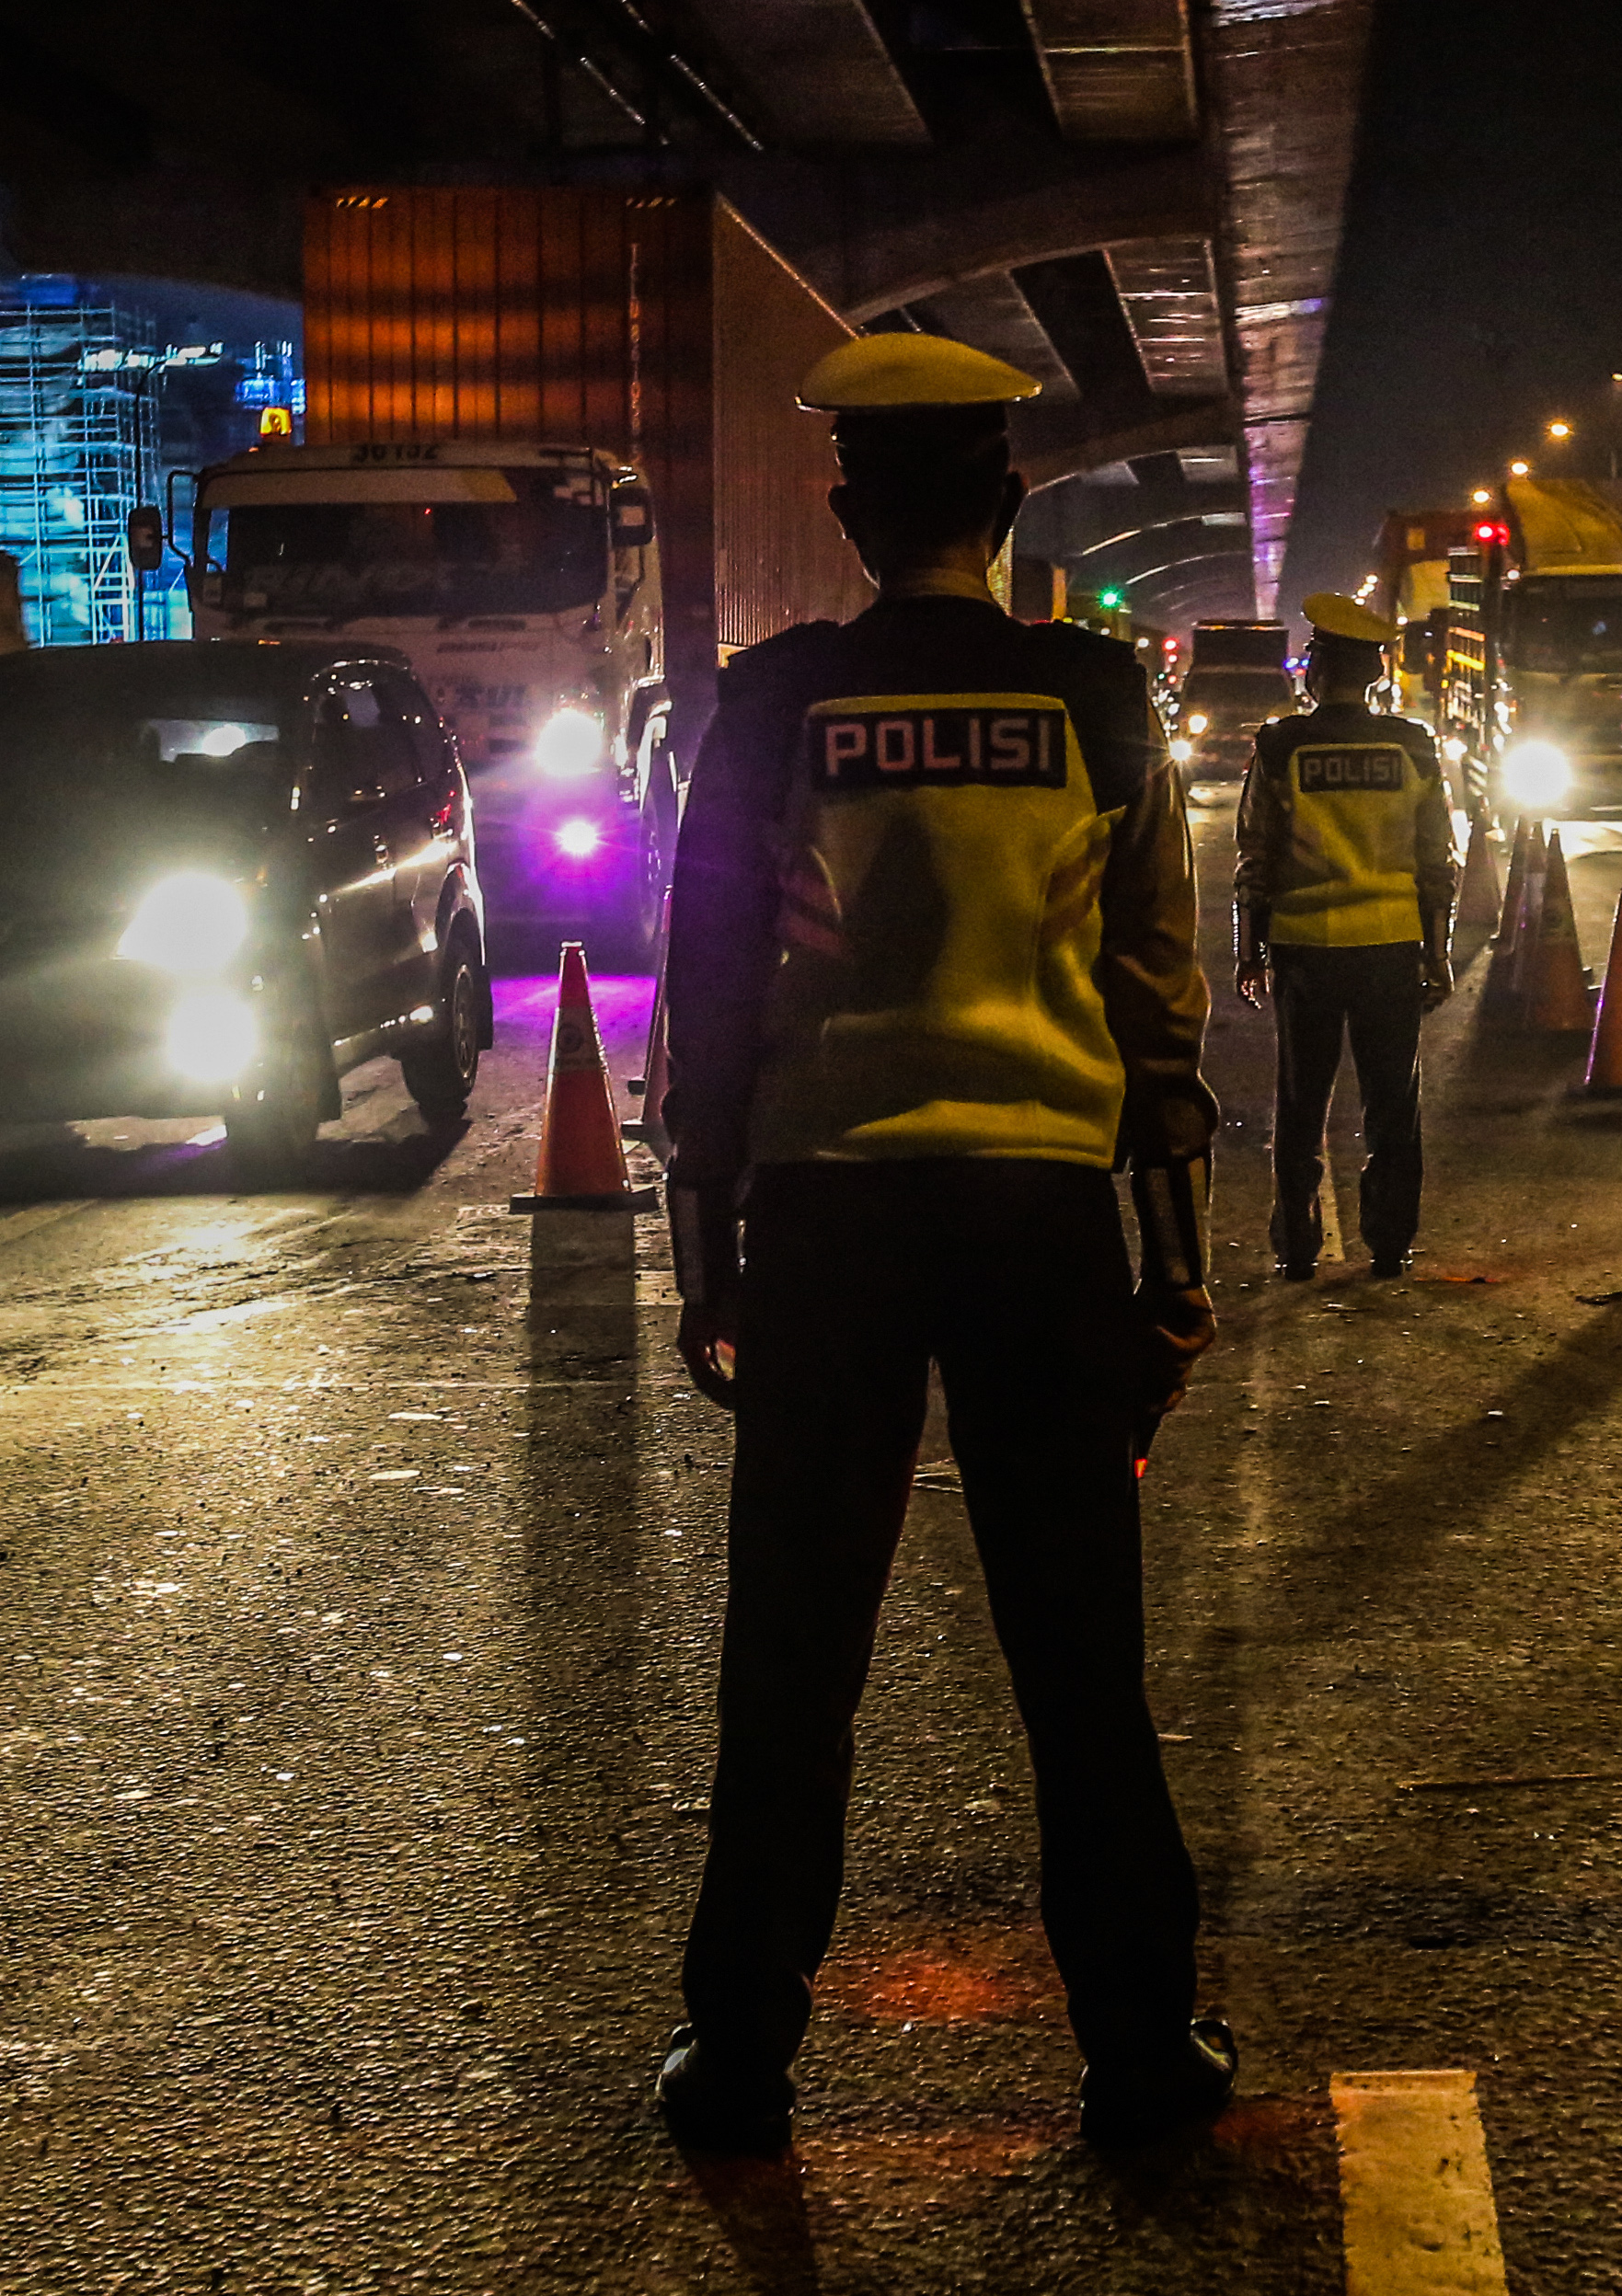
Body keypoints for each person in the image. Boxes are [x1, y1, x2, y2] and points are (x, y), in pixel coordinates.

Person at [655, 331, 1231, 2151]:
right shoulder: (1096, 692)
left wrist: (705, 1240)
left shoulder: (772, 704)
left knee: (793, 1655)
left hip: (827, 1211)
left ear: (845, 509)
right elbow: (1155, 992)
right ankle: (1139, 2053)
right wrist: (1176, 1256)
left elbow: (716, 976)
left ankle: (741, 2057)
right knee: (1079, 1660)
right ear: (1005, 500)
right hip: (1038, 1211)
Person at [1230, 591, 1457, 1280]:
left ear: (1318, 668)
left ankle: (1296, 1245)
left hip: (1306, 952)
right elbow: (1435, 861)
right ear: (1379, 672)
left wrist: (1249, 948)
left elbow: (1255, 856)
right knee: (1393, 1102)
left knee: (1301, 1101)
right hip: (1390, 946)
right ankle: (1390, 1243)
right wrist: (1436, 950)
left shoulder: (1279, 746)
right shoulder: (1411, 747)